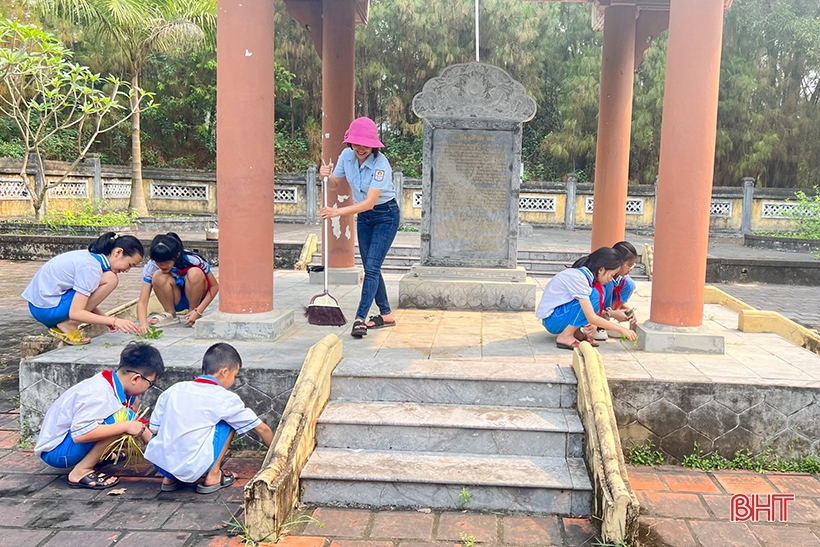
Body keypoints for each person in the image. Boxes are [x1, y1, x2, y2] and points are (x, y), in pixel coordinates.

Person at [144, 343, 274, 494]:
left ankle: (170, 479)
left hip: (161, 464)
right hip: (192, 467)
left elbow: (154, 429)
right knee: (228, 421)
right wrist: (277, 455)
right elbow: (261, 428)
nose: (233, 380)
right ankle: (213, 476)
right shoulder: (225, 398)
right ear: (224, 372)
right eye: (235, 375)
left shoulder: (174, 389)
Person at [34, 342, 164, 489]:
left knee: (128, 413)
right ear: (135, 378)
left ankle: (103, 455)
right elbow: (80, 435)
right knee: (123, 418)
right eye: (150, 383)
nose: (148, 388)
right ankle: (81, 471)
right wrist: (131, 428)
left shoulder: (115, 384)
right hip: (57, 452)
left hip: (68, 443)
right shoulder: (99, 393)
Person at [319, 117, 400, 338]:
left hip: (386, 216)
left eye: (365, 144)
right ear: (350, 143)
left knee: (371, 269)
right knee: (371, 266)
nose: (360, 148)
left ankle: (360, 318)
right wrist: (325, 176)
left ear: (374, 144)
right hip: (364, 218)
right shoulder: (346, 156)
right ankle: (386, 314)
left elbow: (370, 202)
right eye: (356, 143)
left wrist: (337, 212)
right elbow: (335, 183)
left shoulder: (381, 164)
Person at [22, 232, 144, 345]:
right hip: (47, 310)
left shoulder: (90, 257)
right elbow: (76, 312)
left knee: (109, 277)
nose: (127, 270)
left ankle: (68, 325)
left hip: (41, 306)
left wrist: (106, 319)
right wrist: (114, 321)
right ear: (118, 252)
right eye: (130, 265)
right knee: (111, 279)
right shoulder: (91, 268)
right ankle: (69, 325)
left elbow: (84, 298)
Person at [536, 247, 638, 350]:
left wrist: (610, 315)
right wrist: (622, 330)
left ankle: (575, 333)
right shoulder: (579, 278)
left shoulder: (586, 278)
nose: (611, 279)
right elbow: (591, 316)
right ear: (601, 269)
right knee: (594, 295)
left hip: (558, 317)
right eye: (611, 275)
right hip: (553, 320)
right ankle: (566, 336)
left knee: (595, 294)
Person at [136, 232, 219, 332]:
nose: (163, 266)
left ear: (177, 255)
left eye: (167, 262)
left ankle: (192, 312)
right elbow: (143, 301)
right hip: (176, 298)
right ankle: (170, 314)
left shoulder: (193, 260)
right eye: (159, 262)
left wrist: (199, 311)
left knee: (195, 272)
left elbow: (215, 287)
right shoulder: (152, 266)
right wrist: (142, 324)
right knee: (158, 276)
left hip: (195, 295)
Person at [597, 241, 639, 339]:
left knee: (629, 284)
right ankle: (599, 323)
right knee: (609, 283)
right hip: (594, 307)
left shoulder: (622, 280)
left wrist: (627, 310)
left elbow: (614, 299)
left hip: (608, 308)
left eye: (633, 265)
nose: (631, 269)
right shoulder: (604, 275)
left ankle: (606, 321)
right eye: (629, 265)